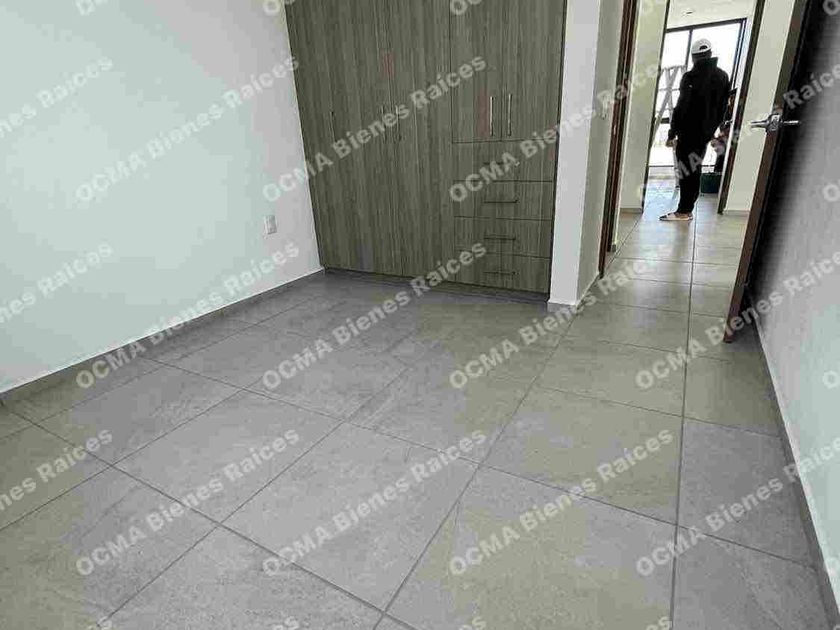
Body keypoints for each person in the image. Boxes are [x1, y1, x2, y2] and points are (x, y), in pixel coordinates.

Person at [660, 39, 731, 221]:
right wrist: (716, 130)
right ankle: (687, 209)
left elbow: (681, 107)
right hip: (705, 133)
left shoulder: (691, 77)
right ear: (710, 54)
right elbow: (723, 107)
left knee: (686, 170)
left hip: (688, 132)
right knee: (694, 168)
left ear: (693, 57)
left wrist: (672, 133)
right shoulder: (722, 76)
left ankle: (684, 211)